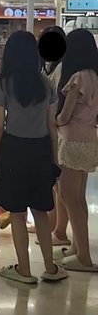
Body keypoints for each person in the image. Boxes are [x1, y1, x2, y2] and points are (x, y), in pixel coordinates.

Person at [0, 31, 67, 283]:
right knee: (41, 211)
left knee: (16, 212)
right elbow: (52, 126)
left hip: (13, 149)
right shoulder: (46, 84)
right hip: (41, 149)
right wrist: (54, 160)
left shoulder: (3, 84)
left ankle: (24, 270)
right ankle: (50, 267)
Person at [55, 28, 98, 271]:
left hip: (71, 141)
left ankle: (83, 256)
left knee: (68, 196)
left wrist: (53, 121)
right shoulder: (94, 76)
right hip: (90, 140)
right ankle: (76, 246)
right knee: (79, 198)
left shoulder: (77, 78)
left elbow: (65, 115)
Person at [39, 25, 70, 246]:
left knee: (61, 185)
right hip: (48, 129)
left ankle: (59, 230)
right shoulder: (46, 67)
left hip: (58, 129)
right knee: (53, 183)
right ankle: (51, 225)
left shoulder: (63, 68)